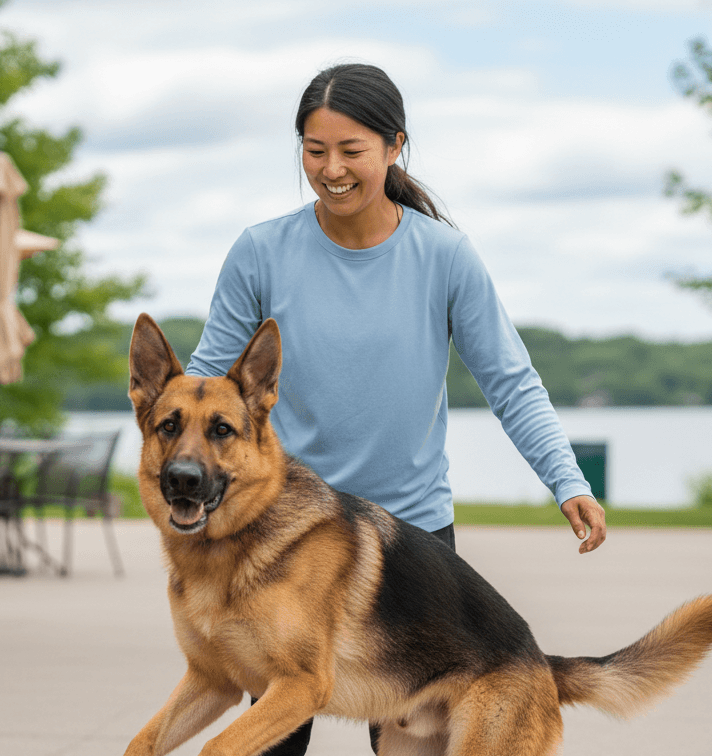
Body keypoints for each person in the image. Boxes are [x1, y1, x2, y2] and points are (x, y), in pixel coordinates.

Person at [182, 62, 607, 756]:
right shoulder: (260, 252)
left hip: (409, 544)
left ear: (394, 146)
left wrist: (568, 480)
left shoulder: (443, 256)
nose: (331, 169)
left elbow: (510, 381)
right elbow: (205, 381)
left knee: (410, 746)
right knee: (270, 741)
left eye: (351, 151)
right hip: (287, 535)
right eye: (315, 151)